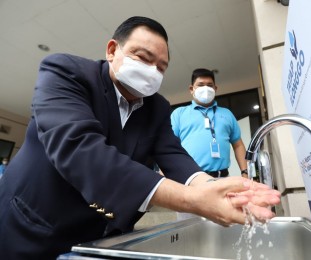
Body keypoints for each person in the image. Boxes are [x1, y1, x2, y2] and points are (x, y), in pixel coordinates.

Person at [0, 16, 281, 259]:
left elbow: (173, 155)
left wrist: (216, 188)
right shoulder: (67, 73)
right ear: (112, 50)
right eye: (143, 58)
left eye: (161, 67)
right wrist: (192, 200)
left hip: (98, 236)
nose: (152, 71)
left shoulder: (156, 107)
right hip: (31, 226)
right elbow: (81, 151)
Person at [171, 69, 249, 179]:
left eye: (209, 85)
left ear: (215, 89)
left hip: (223, 178)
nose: (205, 89)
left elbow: (238, 145)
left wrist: (245, 172)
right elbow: (170, 146)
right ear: (191, 89)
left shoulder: (227, 114)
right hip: (191, 179)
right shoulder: (179, 114)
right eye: (200, 85)